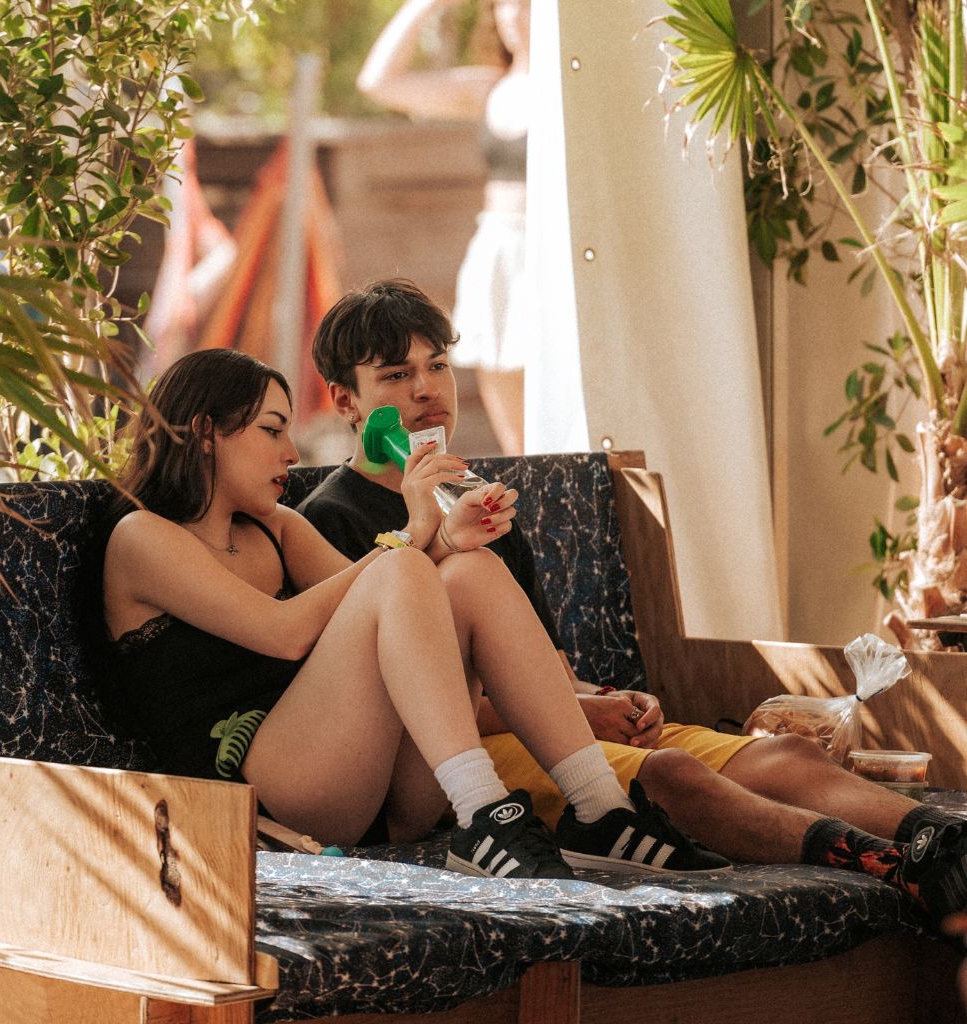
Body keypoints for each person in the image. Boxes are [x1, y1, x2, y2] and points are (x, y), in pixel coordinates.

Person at [298, 278, 967, 922]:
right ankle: (901, 869)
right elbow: (395, 707)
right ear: (346, 401)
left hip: (564, 722)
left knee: (784, 755)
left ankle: (944, 838)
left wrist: (608, 699)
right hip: (467, 755)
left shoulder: (474, 499)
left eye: (437, 365)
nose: (425, 389)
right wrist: (583, 713)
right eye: (395, 375)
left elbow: (543, 666)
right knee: (672, 774)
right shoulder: (332, 519)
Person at [99, 347, 730, 880]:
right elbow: (286, 633)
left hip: (381, 790)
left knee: (471, 571)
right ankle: (484, 814)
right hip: (272, 801)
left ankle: (601, 811)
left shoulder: (277, 528)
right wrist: (413, 533)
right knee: (400, 565)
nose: (291, 452)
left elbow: (389, 603)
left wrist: (447, 538)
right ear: (205, 433)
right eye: (272, 430)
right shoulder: (143, 538)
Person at [357, 0, 531, 456]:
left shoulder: (571, 92)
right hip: (500, 252)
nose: (513, 17)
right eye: (503, 4)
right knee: (518, 442)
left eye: (526, 4)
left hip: (555, 253)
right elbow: (378, 81)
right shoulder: (490, 87)